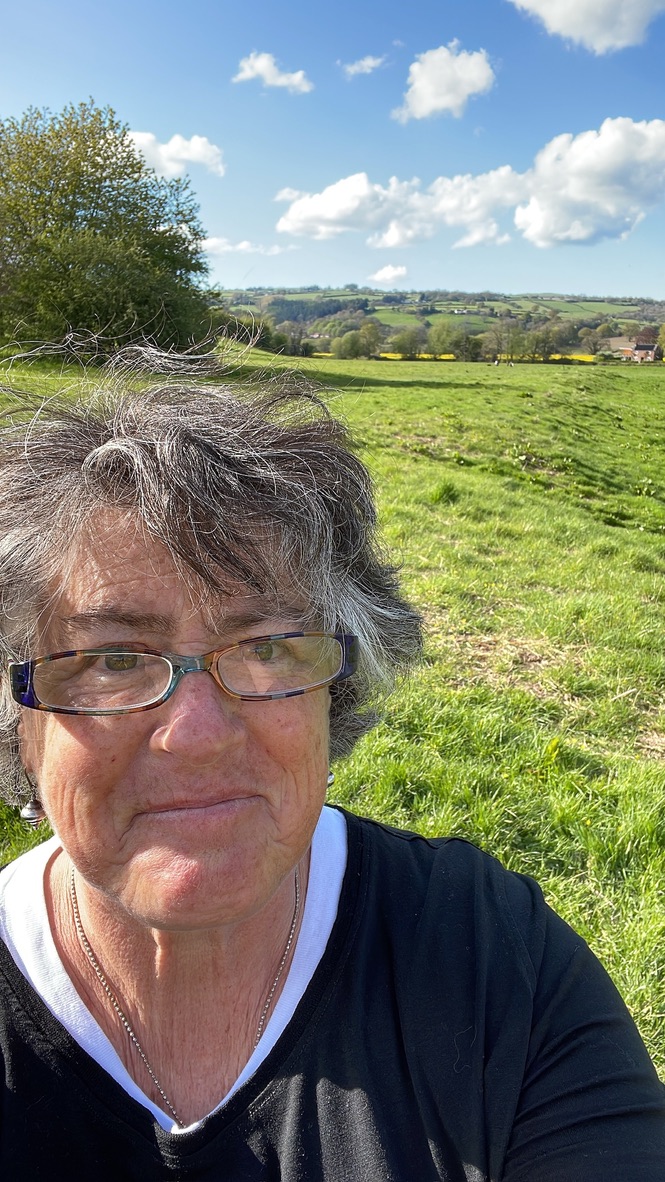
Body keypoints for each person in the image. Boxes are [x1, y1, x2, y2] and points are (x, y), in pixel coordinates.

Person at [0, 366, 662, 1181]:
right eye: (112, 660)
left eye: (266, 647)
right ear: (19, 723)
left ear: (334, 692)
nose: (197, 735)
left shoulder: (489, 956)